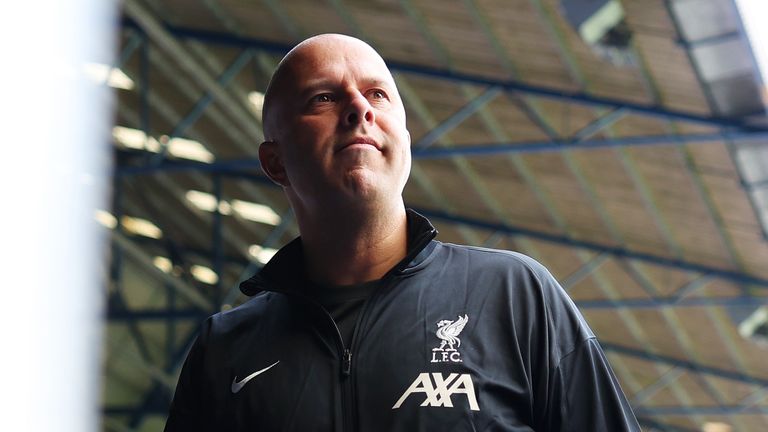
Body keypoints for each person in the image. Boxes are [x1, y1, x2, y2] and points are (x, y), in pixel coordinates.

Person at [164, 33, 640, 431]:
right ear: (275, 161)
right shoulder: (225, 351)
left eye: (377, 95)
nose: (359, 109)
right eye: (324, 98)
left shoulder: (514, 297)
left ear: (405, 142)